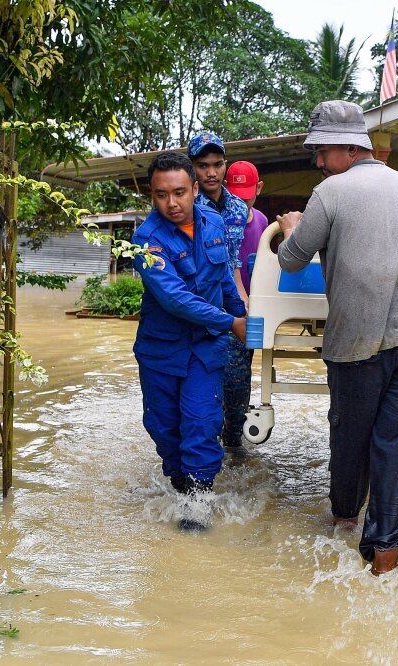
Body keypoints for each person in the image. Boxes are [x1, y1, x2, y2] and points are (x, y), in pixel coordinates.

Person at [276, 100, 398, 575]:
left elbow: (291, 259)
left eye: (321, 152)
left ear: (346, 148)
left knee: (350, 436)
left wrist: (291, 227)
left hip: (359, 344)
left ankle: (346, 522)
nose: (317, 162)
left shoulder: (330, 192)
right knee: (395, 443)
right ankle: (385, 555)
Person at [131, 151, 247, 529]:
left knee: (201, 421)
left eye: (180, 192)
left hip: (203, 347)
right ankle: (180, 484)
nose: (172, 203)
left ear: (196, 188)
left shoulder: (212, 223)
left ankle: (197, 506)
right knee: (163, 427)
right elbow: (173, 298)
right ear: (152, 195)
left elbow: (224, 278)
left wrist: (240, 315)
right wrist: (231, 322)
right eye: (161, 195)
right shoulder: (146, 240)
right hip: (161, 348)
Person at [187, 132, 251, 456]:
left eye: (217, 164)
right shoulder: (184, 207)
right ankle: (202, 452)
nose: (211, 172)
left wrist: (243, 303)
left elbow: (234, 260)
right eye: (203, 165)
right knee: (201, 385)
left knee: (238, 382)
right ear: (193, 168)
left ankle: (235, 443)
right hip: (196, 306)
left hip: (230, 302)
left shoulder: (239, 208)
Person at [221, 160, 270, 455]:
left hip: (249, 314)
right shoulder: (213, 220)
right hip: (220, 312)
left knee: (239, 380)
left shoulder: (263, 224)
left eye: (247, 193)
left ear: (259, 189)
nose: (240, 200)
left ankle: (234, 440)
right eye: (234, 192)